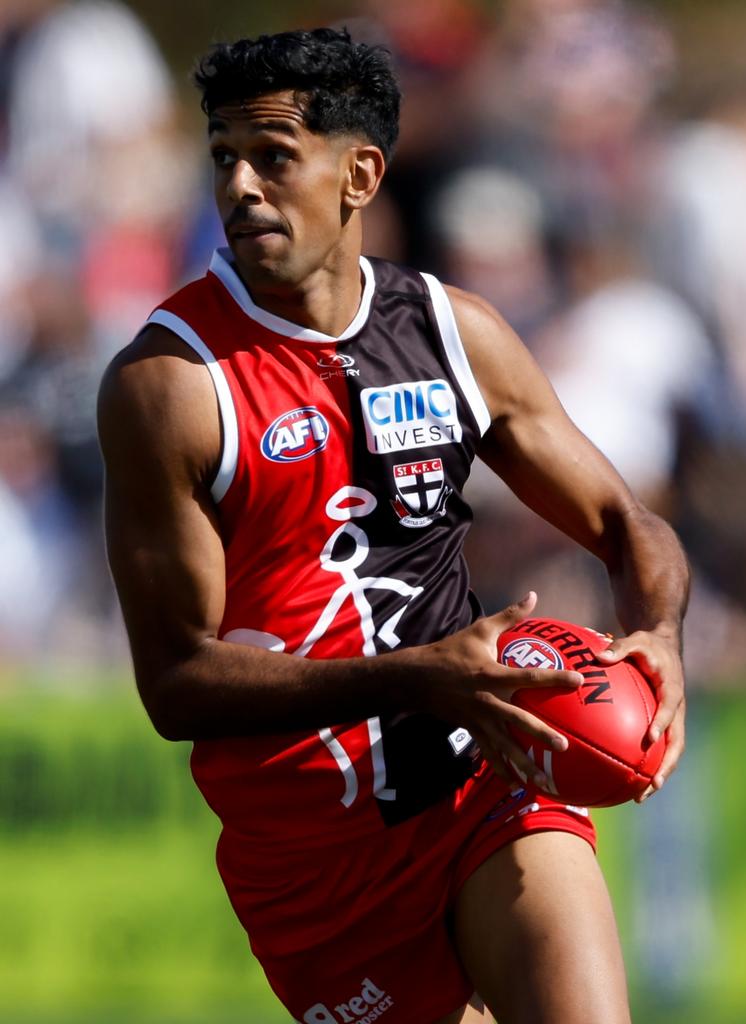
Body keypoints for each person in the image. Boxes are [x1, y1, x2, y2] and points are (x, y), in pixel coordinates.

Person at [97, 28, 688, 1024]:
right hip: (314, 863)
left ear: (360, 172)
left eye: (274, 156)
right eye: (224, 158)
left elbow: (627, 524)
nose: (240, 186)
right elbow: (176, 682)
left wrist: (659, 632)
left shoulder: (458, 333)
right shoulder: (170, 385)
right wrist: (424, 674)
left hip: (479, 780)